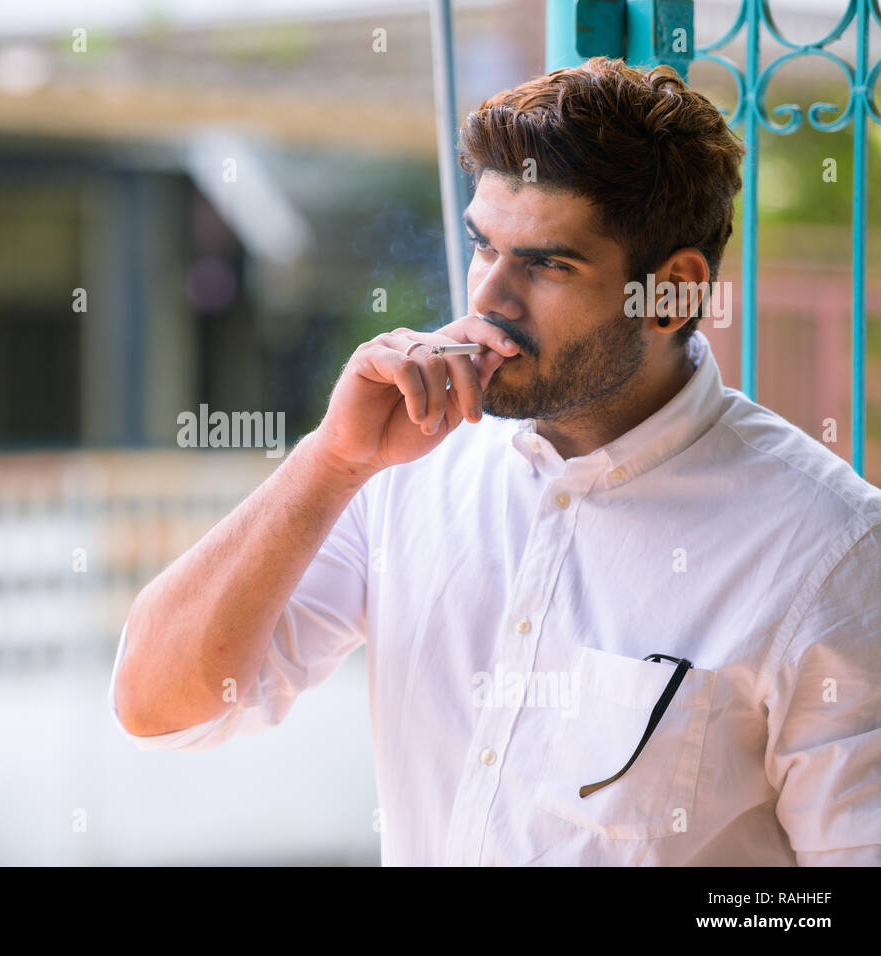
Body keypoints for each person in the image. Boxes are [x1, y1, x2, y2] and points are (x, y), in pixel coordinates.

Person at [107, 56, 881, 865]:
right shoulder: (406, 464)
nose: (489, 301)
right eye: (484, 246)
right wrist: (332, 462)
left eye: (547, 263)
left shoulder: (830, 551)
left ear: (673, 294)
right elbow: (159, 707)